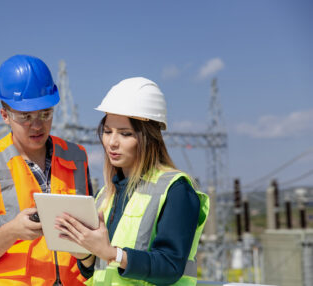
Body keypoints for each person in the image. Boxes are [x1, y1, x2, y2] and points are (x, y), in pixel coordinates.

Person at [55, 77, 209, 285]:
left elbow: (171, 267)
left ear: (149, 137)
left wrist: (112, 254)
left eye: (125, 134)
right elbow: (95, 270)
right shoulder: (105, 195)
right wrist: (84, 252)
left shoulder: (176, 190)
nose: (112, 142)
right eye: (108, 131)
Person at [0, 54, 93, 286]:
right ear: (5, 116)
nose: (37, 125)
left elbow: (91, 233)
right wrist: (12, 231)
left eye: (45, 114)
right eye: (26, 117)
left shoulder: (77, 157)